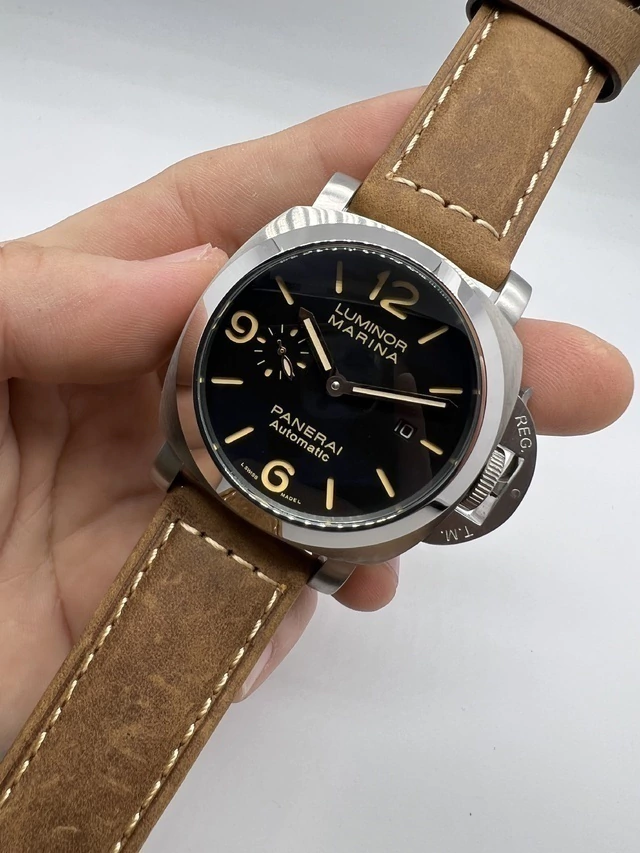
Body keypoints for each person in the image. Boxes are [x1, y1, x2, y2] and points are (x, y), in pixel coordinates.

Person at [0, 89, 633, 757]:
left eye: (351, 384)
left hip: (286, 497)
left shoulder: (438, 311)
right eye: (335, 374)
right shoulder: (321, 232)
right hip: (223, 465)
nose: (336, 385)